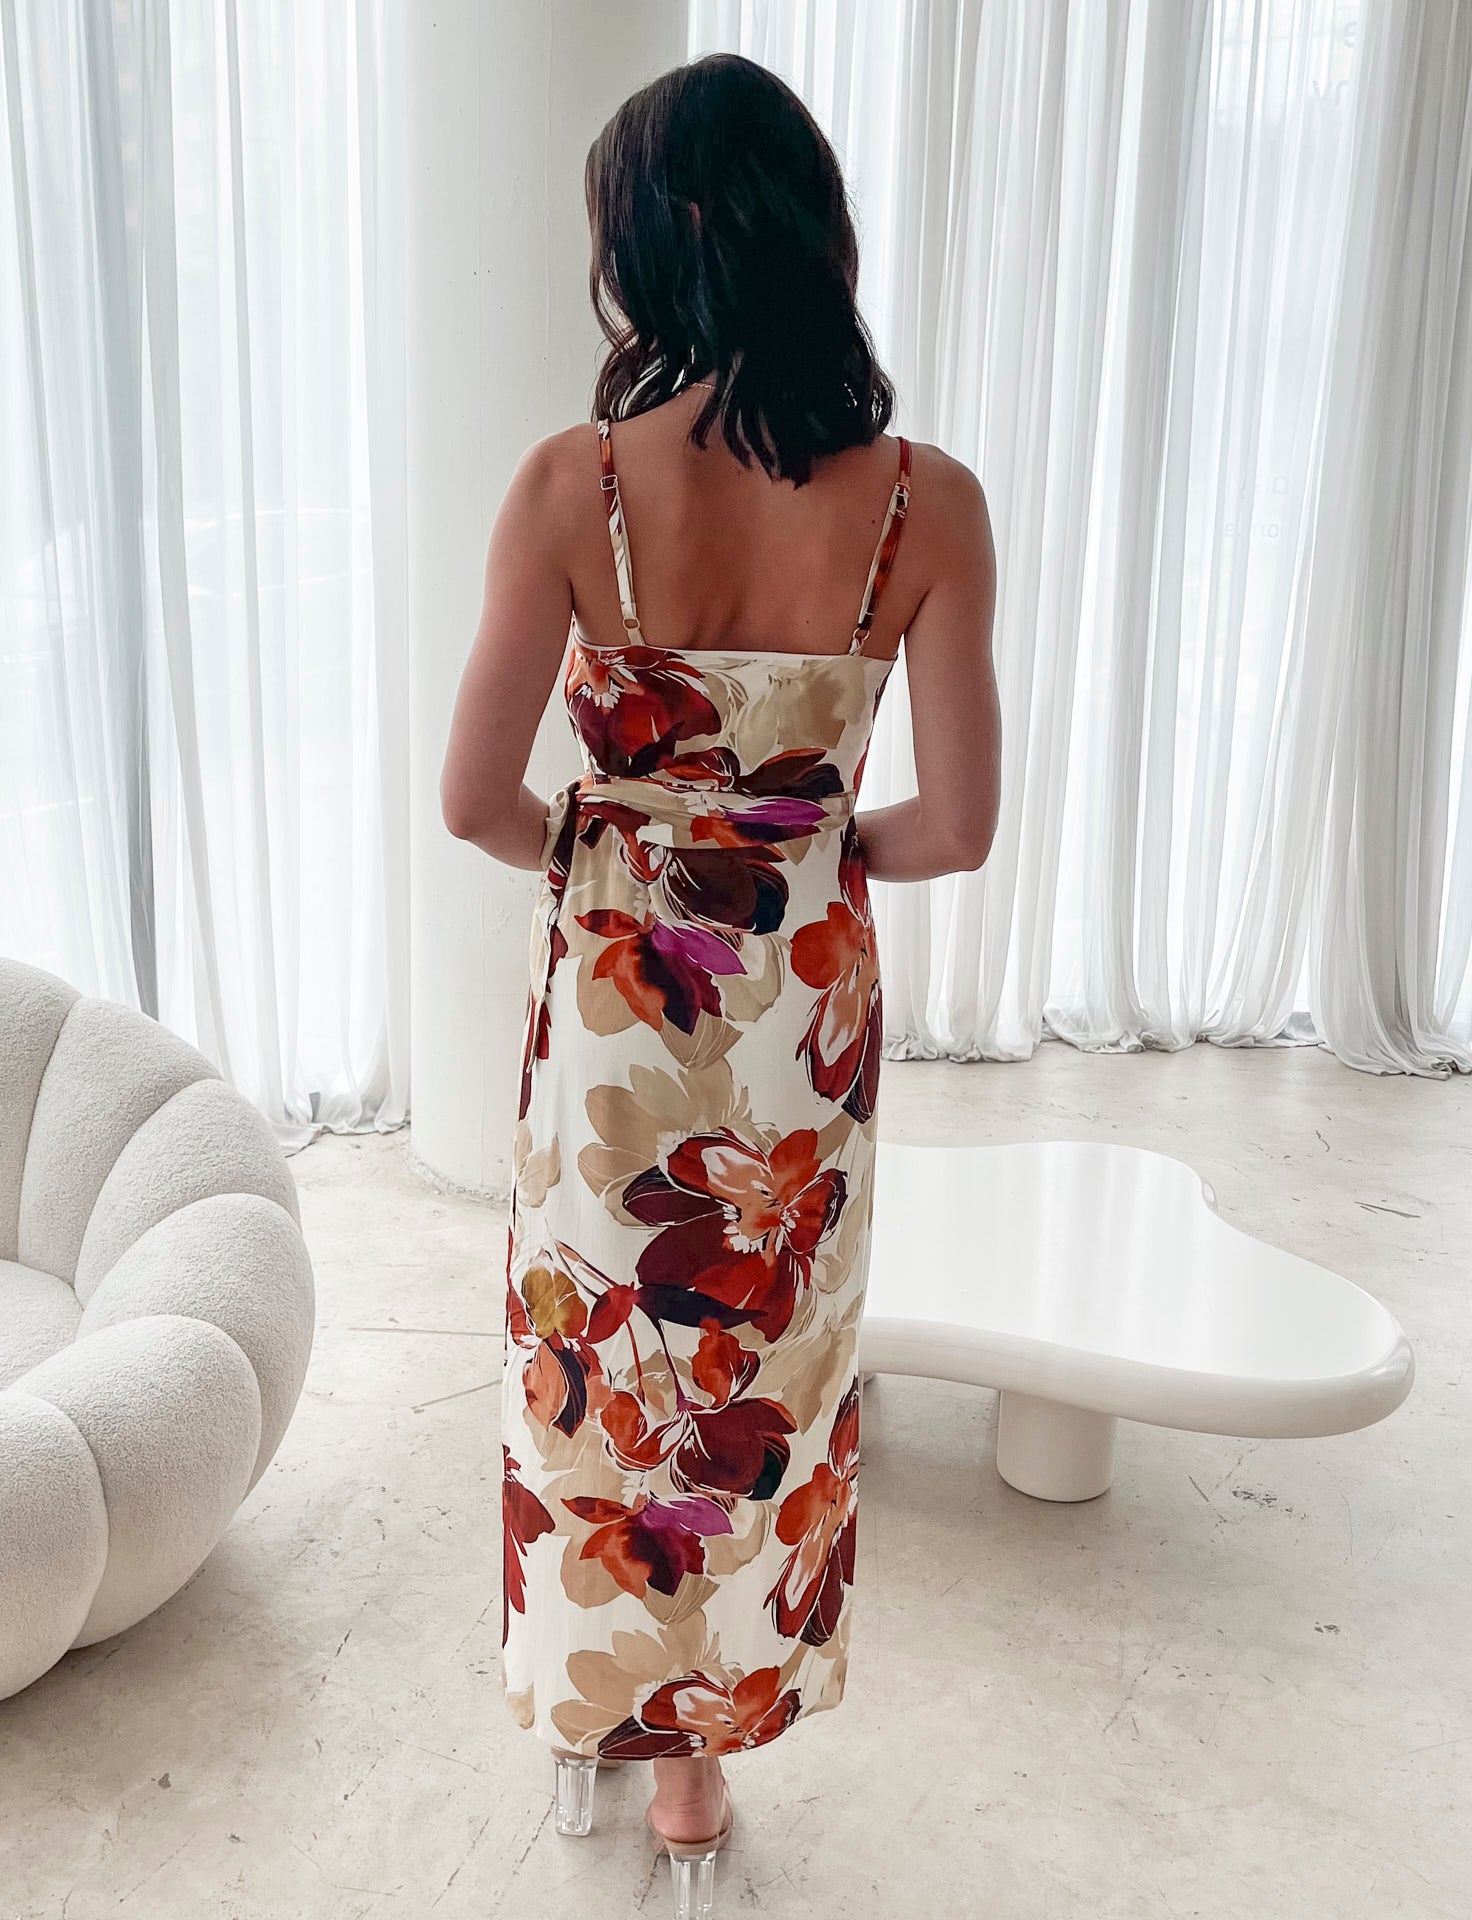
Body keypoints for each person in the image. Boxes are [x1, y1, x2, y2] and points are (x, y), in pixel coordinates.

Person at [442, 50, 999, 1918]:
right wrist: (795, 854)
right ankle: (697, 1774)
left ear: (656, 242)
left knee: (602, 1361)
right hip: (797, 1032)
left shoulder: (572, 485)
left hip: (623, 1002)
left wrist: (629, 857)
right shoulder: (930, 505)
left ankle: (594, 1715)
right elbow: (957, 827)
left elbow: (474, 801)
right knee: (761, 1370)